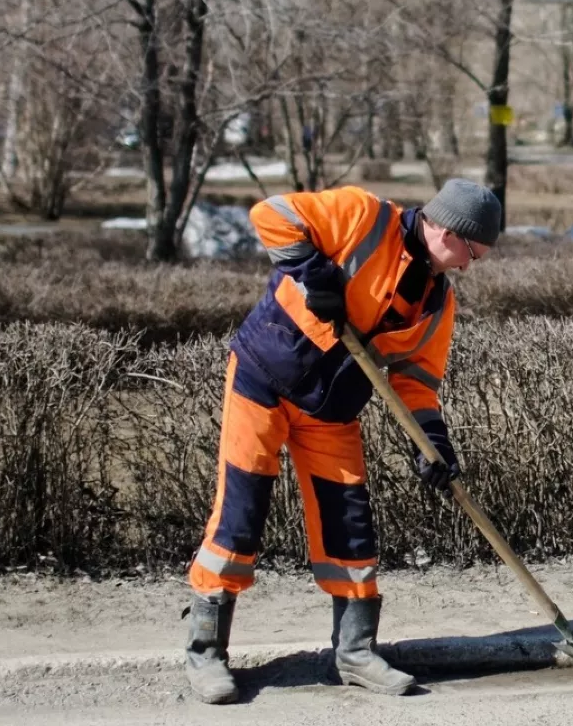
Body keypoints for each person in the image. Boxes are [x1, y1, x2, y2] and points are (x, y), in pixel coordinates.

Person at [182, 178, 501, 703]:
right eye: (470, 251)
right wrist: (315, 274)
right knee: (239, 517)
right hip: (264, 376)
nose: (468, 266)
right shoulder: (363, 217)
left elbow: (417, 379)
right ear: (444, 227)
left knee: (349, 526)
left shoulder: (435, 303)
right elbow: (272, 214)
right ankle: (205, 653)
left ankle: (354, 653)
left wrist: (434, 442)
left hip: (331, 410)